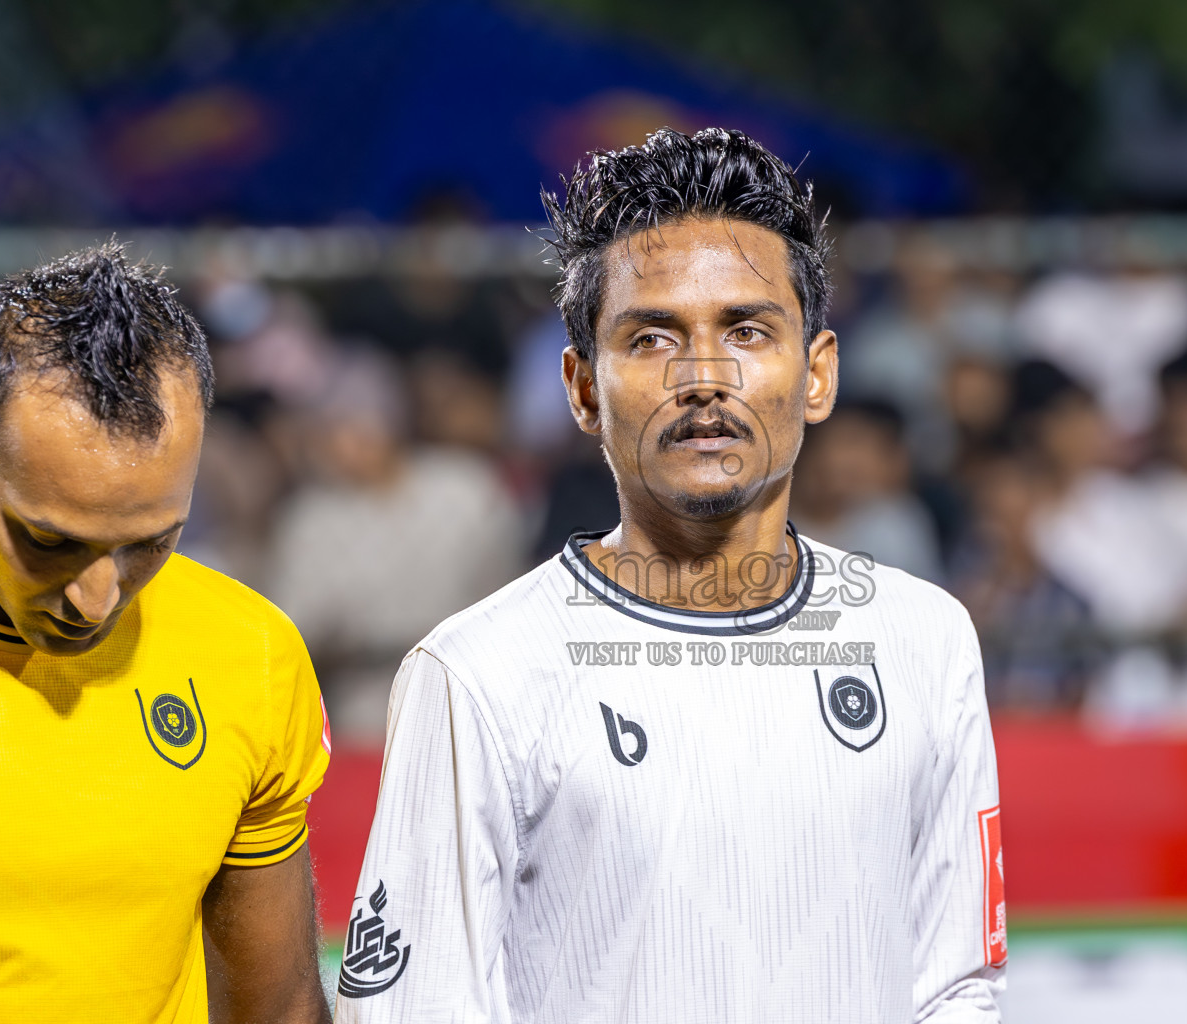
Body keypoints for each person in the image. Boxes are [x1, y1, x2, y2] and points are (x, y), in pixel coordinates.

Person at [337, 127, 1005, 1023]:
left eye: (746, 330)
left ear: (816, 374)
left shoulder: (924, 637)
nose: (702, 377)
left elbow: (958, 984)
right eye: (652, 337)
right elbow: (408, 1009)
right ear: (581, 389)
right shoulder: (477, 674)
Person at [0, 244, 331, 1024]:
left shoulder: (248, 652)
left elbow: (277, 1011)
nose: (97, 599)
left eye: (149, 543)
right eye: (50, 542)